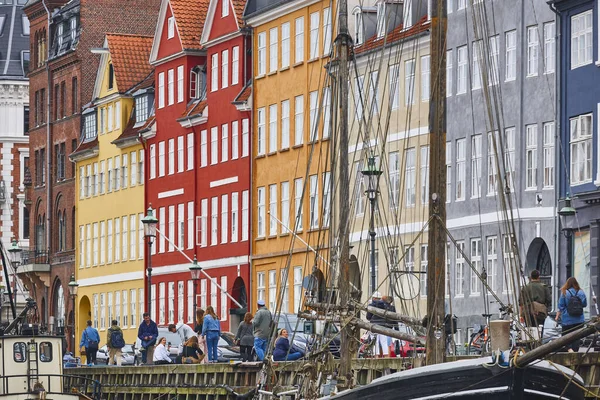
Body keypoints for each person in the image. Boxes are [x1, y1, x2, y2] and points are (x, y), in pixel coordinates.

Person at [556, 277, 587, 352]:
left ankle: (569, 349)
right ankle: (575, 352)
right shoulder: (581, 292)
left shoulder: (565, 292)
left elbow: (561, 306)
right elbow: (584, 304)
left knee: (565, 337)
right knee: (576, 337)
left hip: (567, 320)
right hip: (579, 319)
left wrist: (558, 316)